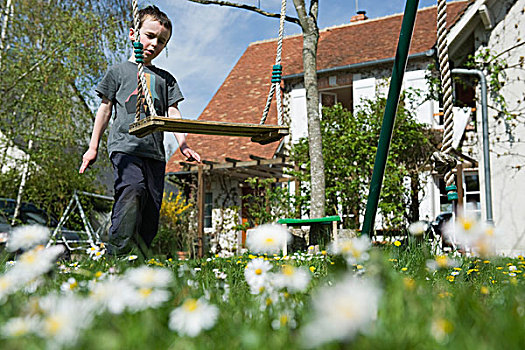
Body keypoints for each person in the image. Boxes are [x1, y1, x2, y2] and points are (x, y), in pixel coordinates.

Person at [79, 5, 200, 257]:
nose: (155, 44)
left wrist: (184, 145)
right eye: (150, 36)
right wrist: (92, 148)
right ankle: (117, 255)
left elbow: (173, 114)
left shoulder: (165, 79)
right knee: (133, 189)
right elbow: (104, 110)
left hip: (154, 153)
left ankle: (140, 259)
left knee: (151, 210)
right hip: (125, 147)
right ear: (134, 34)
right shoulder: (118, 72)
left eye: (162, 41)